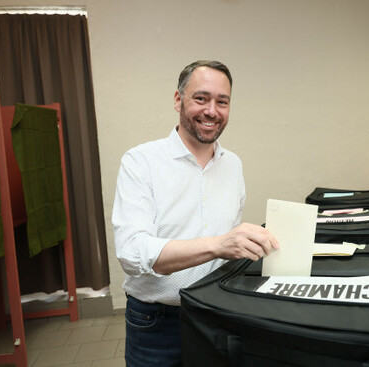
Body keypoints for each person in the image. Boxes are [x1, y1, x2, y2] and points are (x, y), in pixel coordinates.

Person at [112, 60, 279, 367]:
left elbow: (227, 246)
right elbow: (131, 253)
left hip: (218, 314)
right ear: (178, 100)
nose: (212, 111)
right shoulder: (140, 162)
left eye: (222, 102)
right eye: (201, 98)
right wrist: (219, 244)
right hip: (157, 324)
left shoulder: (234, 165)